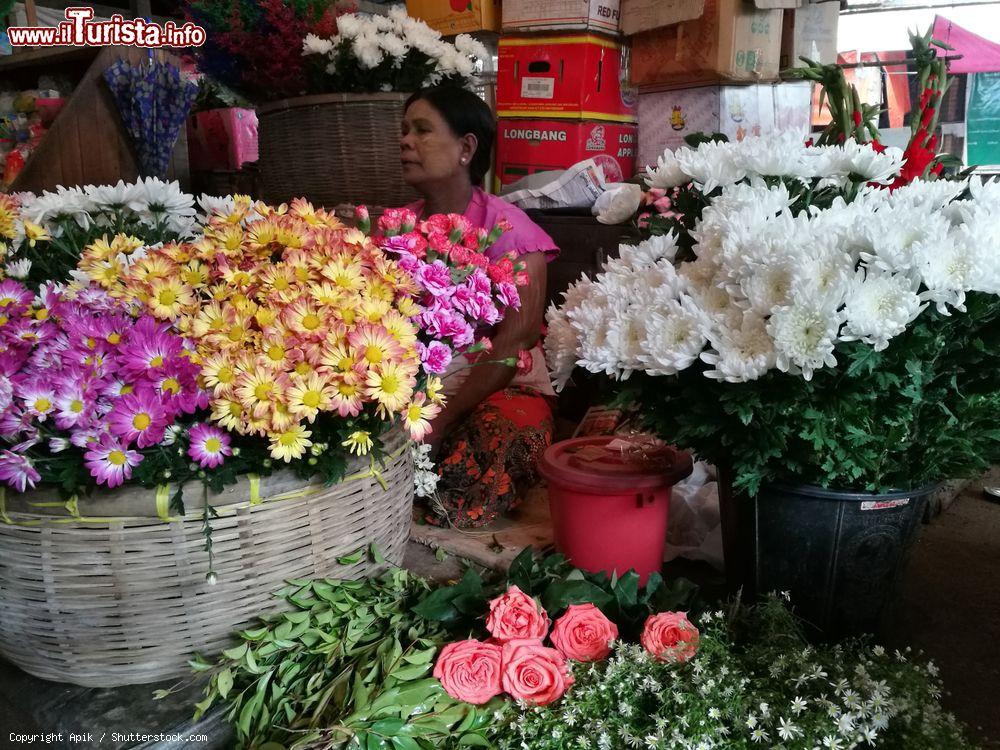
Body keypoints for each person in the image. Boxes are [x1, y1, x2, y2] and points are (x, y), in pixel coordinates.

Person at [399, 85, 559, 529]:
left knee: (502, 436)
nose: (406, 141)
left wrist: (443, 418)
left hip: (494, 386)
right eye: (405, 130)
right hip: (412, 388)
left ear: (466, 147)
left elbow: (514, 344)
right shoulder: (398, 229)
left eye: (423, 130)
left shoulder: (510, 232)